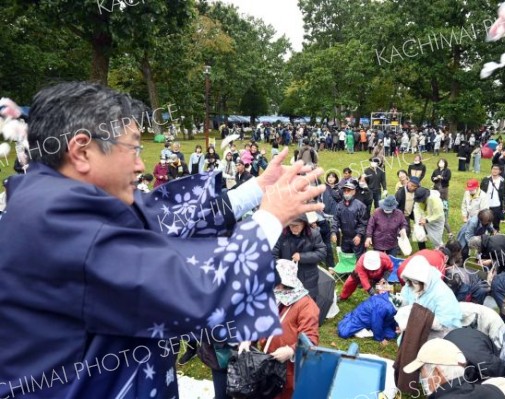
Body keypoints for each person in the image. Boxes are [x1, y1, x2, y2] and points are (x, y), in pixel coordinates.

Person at [0, 81, 326, 399]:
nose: (141, 164)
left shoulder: (60, 201)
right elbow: (192, 289)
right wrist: (270, 218)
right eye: (134, 148)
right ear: (82, 151)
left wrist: (257, 189)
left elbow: (161, 219)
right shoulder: (57, 225)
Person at [257, 260, 320, 399]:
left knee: (286, 393)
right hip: (268, 360)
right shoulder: (276, 296)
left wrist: (291, 350)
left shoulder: (307, 305)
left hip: (288, 368)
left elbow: (311, 338)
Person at [399, 256, 462, 333]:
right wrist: (400, 303)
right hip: (418, 325)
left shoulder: (442, 294)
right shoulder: (410, 284)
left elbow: (445, 324)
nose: (412, 284)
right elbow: (405, 298)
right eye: (409, 281)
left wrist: (423, 318)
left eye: (415, 282)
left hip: (441, 333)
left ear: (424, 281)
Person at [273, 213, 327, 300]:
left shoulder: (313, 234)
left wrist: (302, 257)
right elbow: (273, 254)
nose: (293, 228)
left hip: (308, 278)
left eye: (296, 226)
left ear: (304, 224)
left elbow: (322, 252)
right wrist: (279, 265)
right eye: (291, 225)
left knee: (307, 304)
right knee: (289, 305)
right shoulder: (282, 235)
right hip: (286, 278)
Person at [331, 180, 368, 259]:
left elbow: (364, 223)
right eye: (345, 190)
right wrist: (334, 232)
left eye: (349, 190)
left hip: (357, 238)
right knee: (346, 258)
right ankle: (348, 271)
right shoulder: (339, 206)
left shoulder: (360, 206)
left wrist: (359, 235)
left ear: (354, 192)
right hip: (345, 238)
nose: (346, 192)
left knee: (358, 259)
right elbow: (335, 220)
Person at [480, 164, 505, 231]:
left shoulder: (503, 181)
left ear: (500, 171)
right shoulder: (485, 179)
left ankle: (495, 237)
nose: (494, 170)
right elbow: (480, 192)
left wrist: (504, 208)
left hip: (497, 205)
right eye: (493, 169)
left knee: (495, 224)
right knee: (484, 223)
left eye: (496, 169)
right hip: (486, 205)